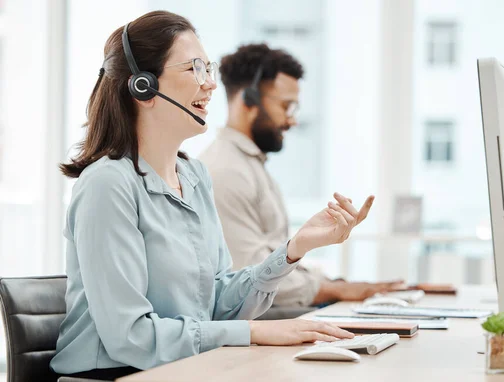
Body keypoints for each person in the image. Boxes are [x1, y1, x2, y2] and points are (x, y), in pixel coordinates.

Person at [50, 11, 372, 380]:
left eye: (209, 68)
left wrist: (294, 249)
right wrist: (255, 333)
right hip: (115, 375)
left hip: (186, 369)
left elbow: (218, 305)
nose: (210, 84)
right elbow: (130, 337)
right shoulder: (107, 185)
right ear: (143, 87)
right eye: (194, 69)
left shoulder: (194, 176)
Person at [200, 44, 401, 308]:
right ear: (249, 99)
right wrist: (340, 290)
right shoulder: (225, 172)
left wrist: (345, 285)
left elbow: (277, 261)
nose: (292, 120)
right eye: (286, 106)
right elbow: (251, 276)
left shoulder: (250, 166)